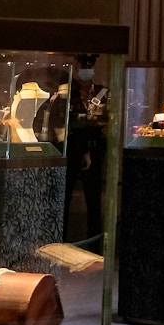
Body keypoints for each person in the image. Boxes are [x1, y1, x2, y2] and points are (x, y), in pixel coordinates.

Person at [64, 54, 109, 243]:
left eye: (90, 65)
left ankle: (94, 244)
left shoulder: (102, 92)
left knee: (94, 200)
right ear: (75, 66)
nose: (87, 69)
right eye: (83, 65)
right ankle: (61, 240)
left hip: (94, 148)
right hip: (72, 148)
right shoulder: (67, 91)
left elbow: (105, 120)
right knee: (64, 197)